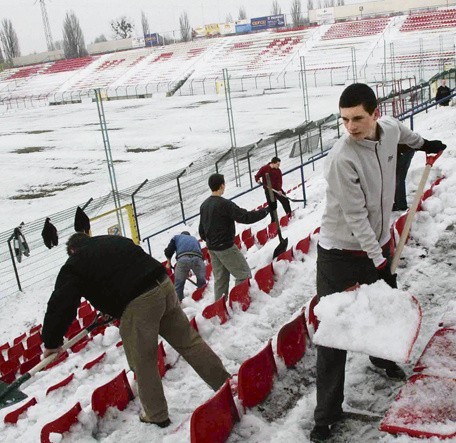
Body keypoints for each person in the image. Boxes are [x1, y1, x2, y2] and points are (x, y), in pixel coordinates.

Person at [310, 83, 446, 442]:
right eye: (345, 120)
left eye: (357, 118)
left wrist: (424, 144)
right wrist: (378, 260)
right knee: (333, 333)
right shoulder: (342, 158)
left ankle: (382, 357)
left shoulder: (389, 131)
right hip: (339, 252)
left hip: (378, 241)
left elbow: (404, 134)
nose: (351, 127)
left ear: (376, 114)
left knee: (387, 308)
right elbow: (355, 218)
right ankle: (326, 413)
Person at [41, 233, 231, 428]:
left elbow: (62, 302)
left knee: (143, 362)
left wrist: (51, 341)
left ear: (72, 250)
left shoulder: (75, 264)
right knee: (189, 342)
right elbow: (123, 272)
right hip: (163, 285)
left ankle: (156, 414)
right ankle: (225, 383)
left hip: (139, 303)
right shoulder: (113, 240)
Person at [199, 173, 270, 300]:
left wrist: (211, 241)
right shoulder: (225, 204)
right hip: (225, 246)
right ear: (222, 185)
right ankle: (239, 302)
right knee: (243, 274)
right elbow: (245, 217)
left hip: (212, 248)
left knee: (220, 281)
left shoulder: (204, 205)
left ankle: (220, 309)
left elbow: (201, 230)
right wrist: (265, 211)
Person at [164, 231, 206, 301]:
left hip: (183, 260)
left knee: (178, 285)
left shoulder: (176, 238)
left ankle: (179, 302)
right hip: (198, 259)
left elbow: (168, 251)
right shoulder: (194, 239)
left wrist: (169, 262)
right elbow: (200, 253)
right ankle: (202, 297)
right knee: (201, 281)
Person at [255, 157, 292, 223]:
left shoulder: (278, 171)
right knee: (272, 206)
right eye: (278, 164)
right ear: (273, 163)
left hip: (277, 189)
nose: (279, 166)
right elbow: (257, 176)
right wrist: (257, 180)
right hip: (268, 190)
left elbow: (279, 181)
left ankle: (289, 214)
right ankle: (274, 221)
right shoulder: (264, 168)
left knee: (285, 200)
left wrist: (279, 190)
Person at [393, 144, 415, 211]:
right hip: (398, 150)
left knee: (398, 177)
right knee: (396, 177)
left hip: (404, 150)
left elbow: (407, 135)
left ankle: (400, 205)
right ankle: (399, 203)